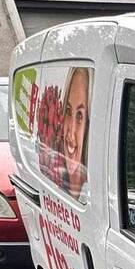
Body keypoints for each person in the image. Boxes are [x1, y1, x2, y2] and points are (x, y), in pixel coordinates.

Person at [59, 67, 90, 197]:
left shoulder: (89, 191)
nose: (70, 135)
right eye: (68, 111)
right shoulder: (57, 178)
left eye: (79, 116)